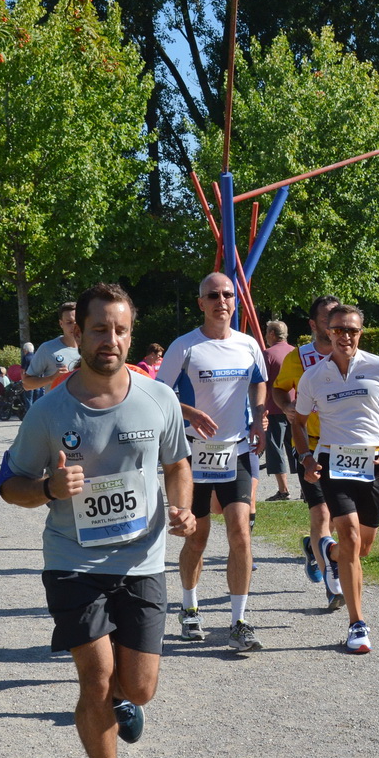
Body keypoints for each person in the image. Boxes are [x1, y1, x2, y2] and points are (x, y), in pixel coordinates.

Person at [0, 282, 194, 758]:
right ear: (78, 332)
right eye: (100, 328)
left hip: (143, 561)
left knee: (140, 688)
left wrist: (183, 510)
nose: (111, 339)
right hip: (73, 562)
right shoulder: (49, 410)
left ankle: (126, 704)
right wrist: (50, 490)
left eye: (121, 329)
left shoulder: (160, 399)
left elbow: (178, 464)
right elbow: (11, 485)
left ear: (131, 335)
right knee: (97, 677)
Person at [293, 304, 379, 653]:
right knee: (348, 534)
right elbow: (298, 422)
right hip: (333, 463)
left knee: (359, 549)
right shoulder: (314, 377)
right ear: (327, 332)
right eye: (338, 330)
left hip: (372, 464)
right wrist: (306, 457)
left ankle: (325, 551)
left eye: (352, 330)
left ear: (361, 333)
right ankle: (357, 624)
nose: (345, 336)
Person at [155, 273, 269, 650]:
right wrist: (190, 412)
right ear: (200, 302)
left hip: (235, 451)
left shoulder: (248, 344)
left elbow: (259, 381)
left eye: (227, 295)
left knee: (240, 532)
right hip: (193, 455)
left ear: (235, 301)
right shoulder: (185, 347)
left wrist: (259, 416)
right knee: (197, 538)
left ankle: (239, 621)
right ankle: (189, 608)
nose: (221, 301)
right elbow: (158, 394)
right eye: (213, 295)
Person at [273, 294, 342, 605]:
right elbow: (278, 388)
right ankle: (333, 584)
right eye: (328, 319)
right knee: (322, 513)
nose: (335, 324)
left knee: (342, 518)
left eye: (339, 317)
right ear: (314, 324)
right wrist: (287, 406)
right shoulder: (298, 358)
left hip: (343, 446)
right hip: (308, 445)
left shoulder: (351, 354)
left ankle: (316, 550)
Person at [261, 319, 296, 502]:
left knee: (275, 448)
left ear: (272, 334)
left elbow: (262, 385)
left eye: (267, 332)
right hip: (296, 408)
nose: (266, 335)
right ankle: (307, 488)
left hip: (274, 408)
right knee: (296, 446)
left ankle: (283, 490)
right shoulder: (296, 353)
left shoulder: (267, 355)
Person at [24, 303, 80, 399]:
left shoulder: (92, 348)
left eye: (77, 322)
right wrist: (52, 378)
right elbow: (27, 384)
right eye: (69, 322)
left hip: (84, 411)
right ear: (61, 324)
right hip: (57, 411)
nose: (74, 326)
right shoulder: (48, 348)